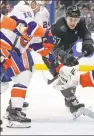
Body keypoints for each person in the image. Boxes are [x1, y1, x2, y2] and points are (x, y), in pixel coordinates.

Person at [0, 0, 60, 128]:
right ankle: (14, 112)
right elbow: (31, 27)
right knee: (23, 73)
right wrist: (46, 34)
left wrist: (50, 56)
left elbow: (33, 42)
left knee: (6, 82)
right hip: (4, 44)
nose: (40, 8)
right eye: (39, 4)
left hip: (10, 47)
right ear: (32, 2)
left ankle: (14, 107)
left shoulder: (34, 11)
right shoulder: (23, 7)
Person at [50, 5, 94, 115]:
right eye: (70, 19)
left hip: (67, 51)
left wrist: (87, 43)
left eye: (76, 19)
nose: (73, 22)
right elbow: (53, 48)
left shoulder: (81, 23)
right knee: (63, 76)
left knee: (73, 74)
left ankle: (69, 99)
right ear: (65, 18)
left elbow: (86, 34)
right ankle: (72, 102)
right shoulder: (58, 28)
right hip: (49, 54)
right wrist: (65, 57)